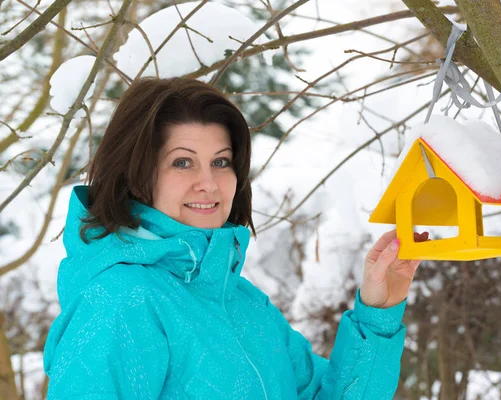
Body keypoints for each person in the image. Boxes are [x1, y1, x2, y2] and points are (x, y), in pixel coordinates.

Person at [42, 77, 429, 399]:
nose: (208, 184)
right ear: (138, 173)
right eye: (182, 162)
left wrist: (378, 311)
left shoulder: (238, 299)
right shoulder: (121, 301)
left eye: (221, 162)